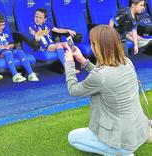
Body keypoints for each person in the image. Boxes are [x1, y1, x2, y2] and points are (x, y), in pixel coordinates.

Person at [64, 25, 150, 155]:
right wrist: (84, 62)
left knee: (73, 137)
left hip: (122, 137)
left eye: (92, 43)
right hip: (137, 128)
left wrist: (69, 64)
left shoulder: (101, 75)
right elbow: (107, 79)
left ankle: (122, 152)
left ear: (96, 46)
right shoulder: (127, 61)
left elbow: (73, 90)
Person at [0, 12, 38, 82]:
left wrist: (8, 46)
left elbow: (13, 44)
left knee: (19, 51)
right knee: (8, 52)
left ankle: (31, 73)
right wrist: (2, 47)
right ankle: (15, 75)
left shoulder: (6, 32)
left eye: (3, 25)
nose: (2, 27)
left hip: (8, 49)